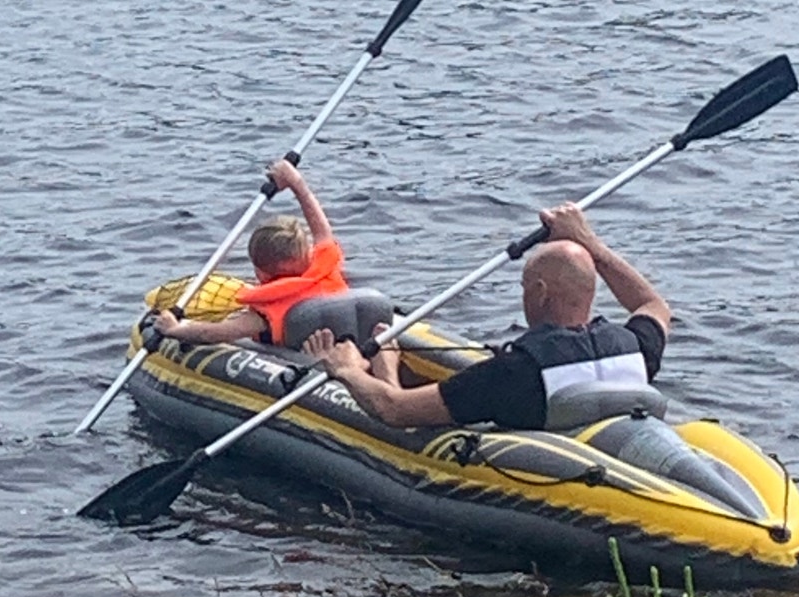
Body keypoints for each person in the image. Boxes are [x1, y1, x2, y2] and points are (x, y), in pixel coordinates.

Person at [306, 201, 670, 430]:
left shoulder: (515, 373)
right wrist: (592, 246)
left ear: (540, 292)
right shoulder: (633, 349)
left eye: (526, 287)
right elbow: (654, 306)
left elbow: (394, 411)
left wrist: (346, 368)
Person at [150, 159, 354, 349]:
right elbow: (321, 228)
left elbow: (217, 333)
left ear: (261, 273)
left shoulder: (267, 310)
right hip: (351, 342)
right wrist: (296, 183)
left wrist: (174, 329)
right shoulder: (325, 267)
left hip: (309, 360)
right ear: (307, 252)